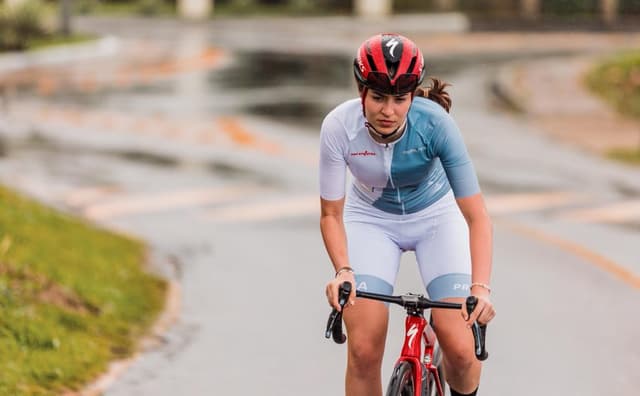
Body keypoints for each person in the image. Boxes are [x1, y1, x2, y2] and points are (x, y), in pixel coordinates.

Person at [319, 33, 496, 396]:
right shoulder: (339, 128)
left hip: (435, 218)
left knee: (462, 352)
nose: (388, 110)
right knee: (364, 350)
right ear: (361, 91)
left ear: (412, 96)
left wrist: (480, 289)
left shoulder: (436, 125)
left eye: (400, 99)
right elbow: (331, 215)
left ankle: (445, 350)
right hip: (371, 221)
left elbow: (477, 217)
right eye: (379, 97)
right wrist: (343, 270)